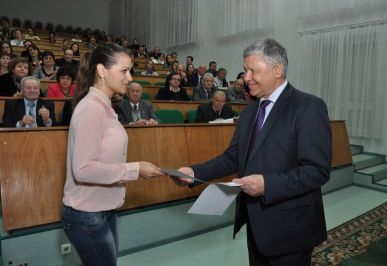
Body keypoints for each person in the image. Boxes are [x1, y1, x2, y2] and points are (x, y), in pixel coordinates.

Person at [174, 38, 332, 266]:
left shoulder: (308, 107)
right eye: (245, 70)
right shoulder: (249, 112)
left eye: (252, 71)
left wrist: (267, 185)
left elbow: (317, 170)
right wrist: (193, 172)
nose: (246, 78)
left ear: (277, 70)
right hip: (256, 226)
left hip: (292, 228)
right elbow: (233, 157)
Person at [60, 43, 163, 265]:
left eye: (130, 70)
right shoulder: (91, 108)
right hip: (87, 214)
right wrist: (135, 169)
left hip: (103, 210)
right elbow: (83, 169)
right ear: (101, 71)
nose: (129, 77)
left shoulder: (105, 105)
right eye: (124, 70)